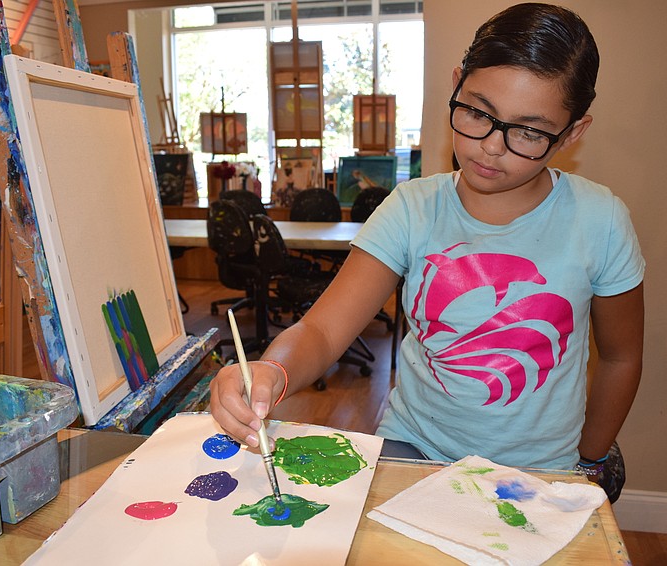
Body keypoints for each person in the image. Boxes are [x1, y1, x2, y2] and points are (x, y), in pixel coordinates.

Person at [210, 3, 644, 502]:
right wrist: (272, 370)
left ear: (571, 133)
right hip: (411, 451)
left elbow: (620, 356)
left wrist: (587, 459)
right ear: (457, 85)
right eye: (479, 112)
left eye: (528, 131)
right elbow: (323, 330)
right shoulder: (412, 208)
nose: (491, 147)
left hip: (539, 472)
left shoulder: (600, 220)